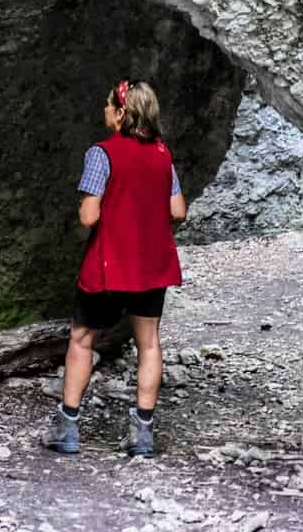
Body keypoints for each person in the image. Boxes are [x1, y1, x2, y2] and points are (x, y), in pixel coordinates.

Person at [43, 79, 186, 457]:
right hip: (150, 264)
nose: (104, 111)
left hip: (108, 263)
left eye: (109, 105)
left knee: (82, 339)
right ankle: (142, 433)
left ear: (122, 113)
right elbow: (177, 210)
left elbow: (89, 216)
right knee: (149, 343)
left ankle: (67, 427)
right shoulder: (162, 155)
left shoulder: (101, 154)